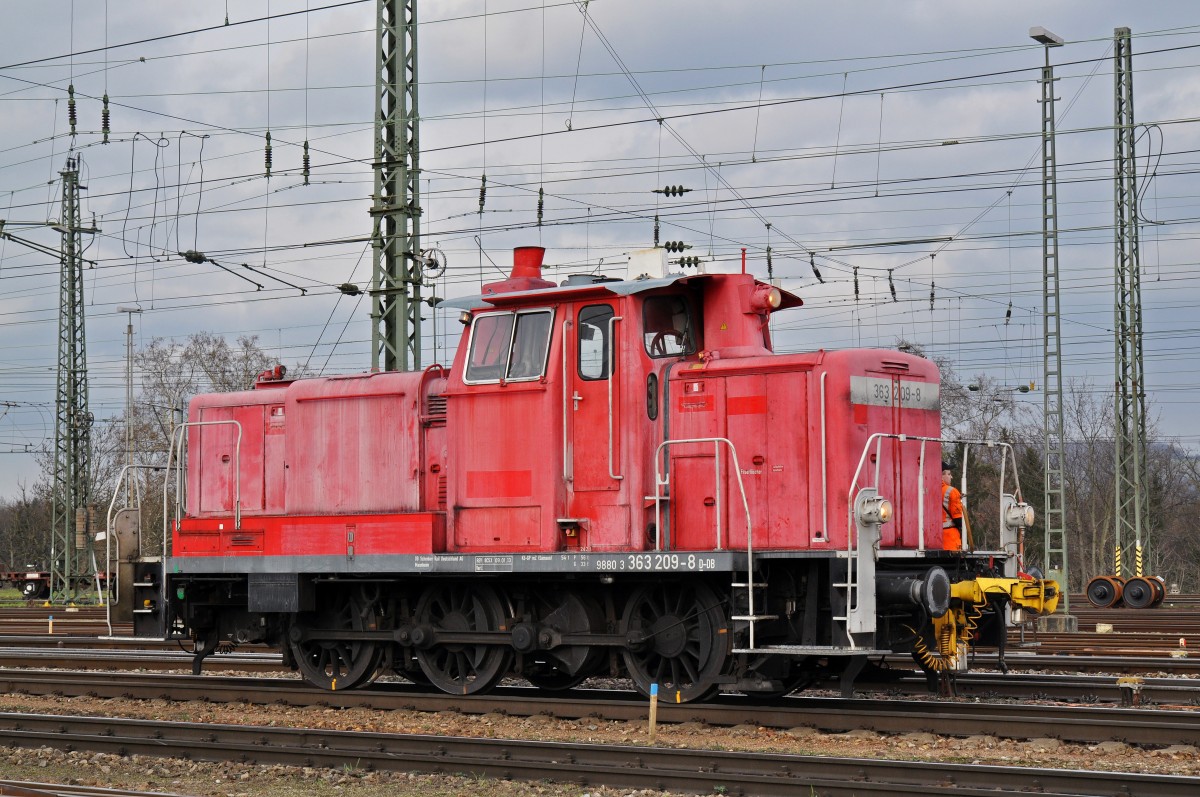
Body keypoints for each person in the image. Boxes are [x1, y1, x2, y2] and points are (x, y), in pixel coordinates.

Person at [941, 461, 964, 550]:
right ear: (941, 476)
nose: (951, 477)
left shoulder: (927, 490)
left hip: (934, 540)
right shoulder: (952, 491)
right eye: (949, 474)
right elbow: (958, 520)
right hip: (950, 539)